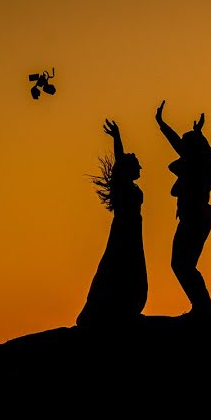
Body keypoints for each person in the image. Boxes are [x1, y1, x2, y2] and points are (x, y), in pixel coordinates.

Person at [76, 119, 148, 328]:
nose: (140, 167)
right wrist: (117, 139)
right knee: (116, 266)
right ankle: (111, 308)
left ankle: (128, 306)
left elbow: (120, 163)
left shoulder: (128, 185)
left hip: (134, 232)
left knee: (132, 268)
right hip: (123, 232)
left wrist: (117, 137)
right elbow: (119, 161)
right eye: (136, 165)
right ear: (128, 170)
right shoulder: (123, 187)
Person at [155, 99, 211, 315]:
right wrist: (162, 125)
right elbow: (181, 146)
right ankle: (202, 306)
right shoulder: (198, 164)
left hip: (196, 219)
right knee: (182, 265)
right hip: (192, 219)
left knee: (183, 265)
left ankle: (204, 307)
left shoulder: (202, 166)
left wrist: (199, 135)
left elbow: (186, 149)